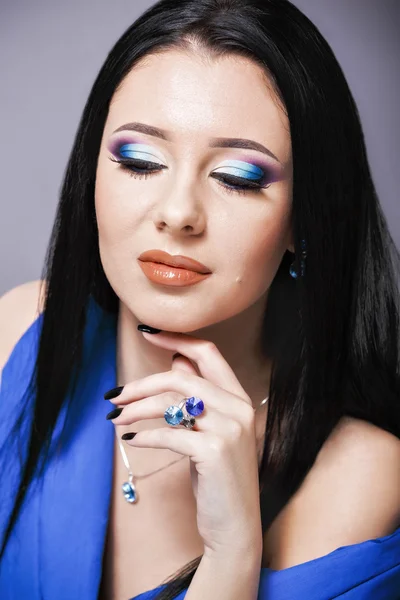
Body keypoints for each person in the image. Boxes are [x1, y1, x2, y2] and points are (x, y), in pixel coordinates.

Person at [0, 0, 399, 598]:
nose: (179, 213)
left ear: (305, 218)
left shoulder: (364, 477)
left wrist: (233, 554)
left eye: (238, 177)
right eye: (139, 161)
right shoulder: (19, 333)